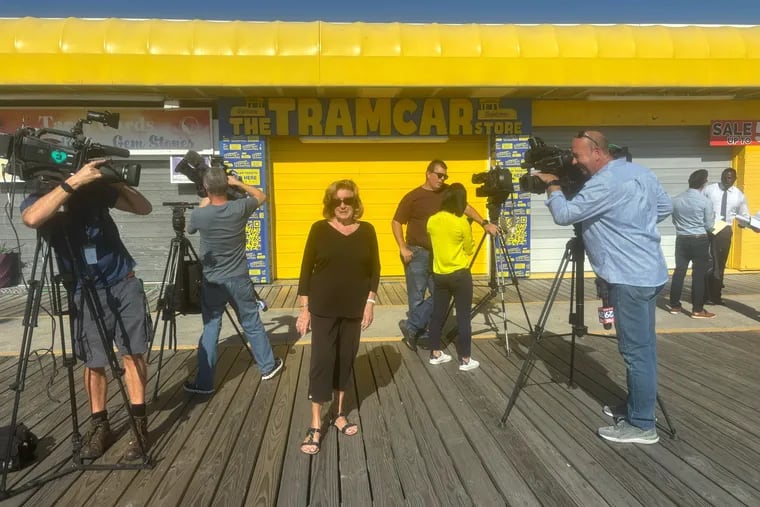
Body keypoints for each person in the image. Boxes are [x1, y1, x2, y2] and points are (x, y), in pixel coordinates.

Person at [534, 131, 671, 445]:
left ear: (597, 152)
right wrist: (631, 226)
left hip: (628, 277)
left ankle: (641, 425)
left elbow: (564, 214)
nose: (574, 161)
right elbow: (663, 209)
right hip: (650, 272)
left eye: (578, 155)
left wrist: (552, 184)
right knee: (644, 349)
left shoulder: (604, 182)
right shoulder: (640, 172)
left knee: (636, 354)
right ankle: (637, 407)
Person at [21, 159, 153, 461]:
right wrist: (73, 183)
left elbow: (143, 207)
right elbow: (32, 218)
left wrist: (115, 180)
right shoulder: (44, 189)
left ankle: (139, 424)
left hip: (122, 280)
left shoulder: (98, 191)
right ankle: (100, 425)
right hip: (83, 288)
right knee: (94, 361)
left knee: (133, 353)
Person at [296, 180, 380, 455]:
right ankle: (316, 423)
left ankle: (340, 414)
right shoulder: (319, 229)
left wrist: (369, 303)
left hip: (354, 307)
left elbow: (374, 270)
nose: (342, 205)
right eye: (337, 201)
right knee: (322, 360)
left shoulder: (367, 230)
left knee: (346, 358)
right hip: (323, 306)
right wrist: (305, 309)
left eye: (348, 200)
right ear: (330, 204)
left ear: (356, 203)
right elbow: (306, 269)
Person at [183, 167, 282, 395]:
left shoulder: (200, 215)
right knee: (251, 322)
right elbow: (261, 196)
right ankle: (267, 367)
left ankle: (205, 382)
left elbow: (190, 227)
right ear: (226, 186)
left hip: (213, 281)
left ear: (206, 188)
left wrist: (206, 198)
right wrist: (237, 183)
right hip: (239, 278)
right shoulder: (239, 208)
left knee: (211, 328)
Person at [391, 159, 498, 351]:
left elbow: (465, 207)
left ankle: (412, 326)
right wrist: (402, 247)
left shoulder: (448, 193)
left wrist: (484, 223)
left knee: (440, 295)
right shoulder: (413, 197)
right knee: (416, 296)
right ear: (428, 173)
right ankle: (419, 335)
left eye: (445, 176)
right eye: (439, 175)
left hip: (439, 255)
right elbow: (396, 222)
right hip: (416, 252)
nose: (442, 179)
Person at [426, 183, 479, 370]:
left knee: (437, 315)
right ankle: (465, 359)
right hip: (460, 274)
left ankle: (435, 353)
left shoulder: (432, 220)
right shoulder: (461, 222)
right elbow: (469, 249)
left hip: (439, 275)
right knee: (463, 317)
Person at [668, 170, 715, 319]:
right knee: (698, 275)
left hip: (682, 238)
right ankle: (697, 309)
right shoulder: (705, 201)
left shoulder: (675, 199)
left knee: (679, 272)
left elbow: (674, 220)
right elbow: (709, 225)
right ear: (703, 184)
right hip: (699, 239)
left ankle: (674, 305)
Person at [702, 168, 750, 305]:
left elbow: (744, 214)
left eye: (730, 178)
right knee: (707, 262)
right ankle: (704, 295)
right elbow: (700, 206)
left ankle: (716, 296)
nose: (726, 180)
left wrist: (743, 224)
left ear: (735, 178)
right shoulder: (710, 190)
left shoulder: (738, 195)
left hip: (724, 231)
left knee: (720, 264)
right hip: (707, 229)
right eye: (724, 177)